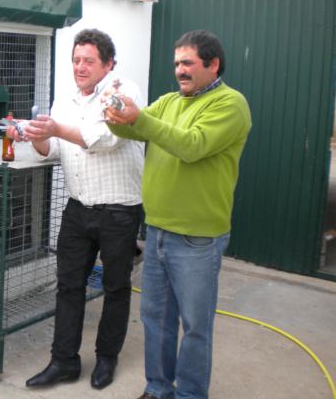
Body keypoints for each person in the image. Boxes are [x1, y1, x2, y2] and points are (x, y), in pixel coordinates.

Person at [105, 30, 252, 399]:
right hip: (157, 231)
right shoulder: (169, 101)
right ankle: (157, 389)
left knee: (195, 327)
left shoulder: (230, 104)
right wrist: (114, 111)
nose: (180, 71)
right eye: (176, 64)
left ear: (213, 64)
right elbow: (131, 129)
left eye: (188, 63)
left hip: (197, 238)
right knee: (156, 319)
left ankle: (190, 394)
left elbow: (192, 146)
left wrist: (139, 119)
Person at [9, 28, 145, 390]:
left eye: (88, 61)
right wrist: (36, 135)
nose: (80, 67)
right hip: (78, 208)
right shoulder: (65, 101)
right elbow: (53, 150)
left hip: (119, 210)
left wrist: (56, 128)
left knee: (115, 287)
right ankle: (64, 361)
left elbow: (106, 138)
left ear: (109, 64)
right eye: (75, 60)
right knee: (68, 286)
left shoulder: (123, 92)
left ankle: (106, 358)